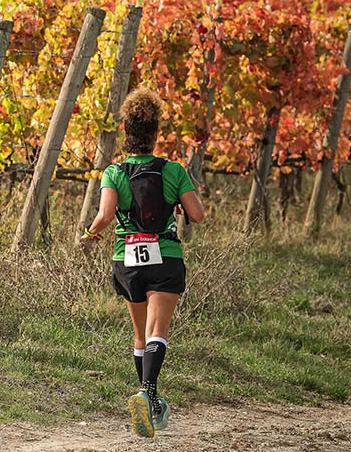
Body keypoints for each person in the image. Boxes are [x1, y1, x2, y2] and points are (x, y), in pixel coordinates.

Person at [79, 87, 205, 438]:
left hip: (127, 258)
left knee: (140, 335)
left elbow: (105, 215)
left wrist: (89, 235)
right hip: (165, 257)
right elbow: (197, 215)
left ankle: (150, 403)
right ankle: (147, 395)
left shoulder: (113, 172)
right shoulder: (173, 170)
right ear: (156, 133)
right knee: (158, 332)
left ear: (126, 131)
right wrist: (178, 204)